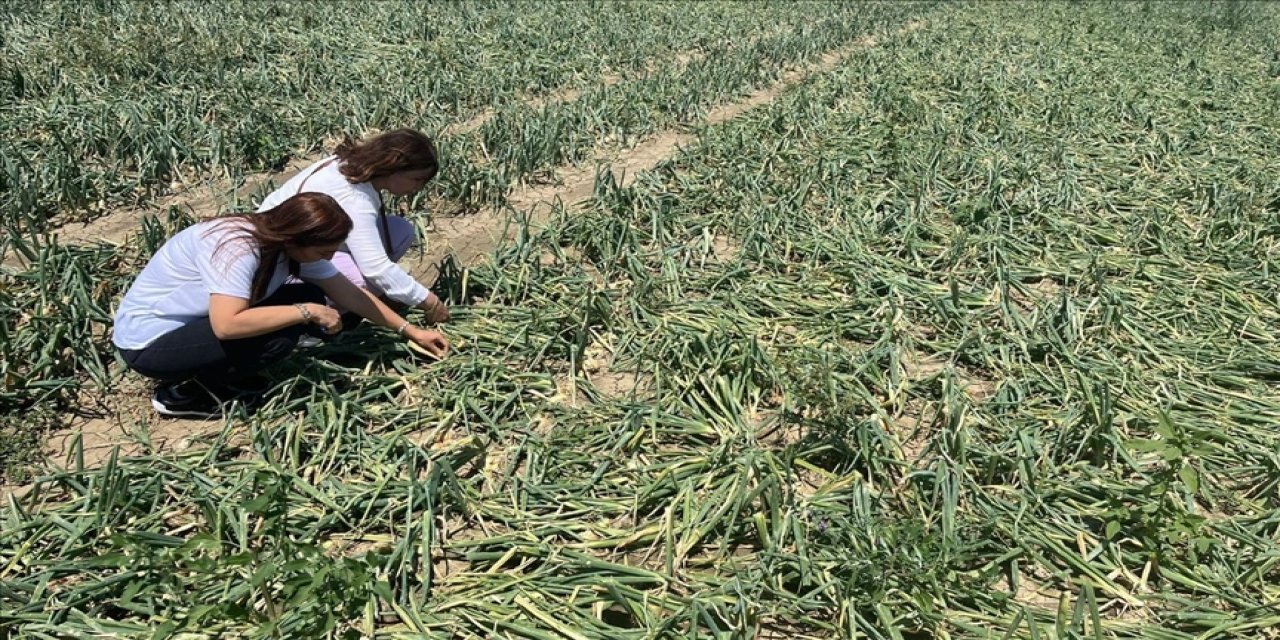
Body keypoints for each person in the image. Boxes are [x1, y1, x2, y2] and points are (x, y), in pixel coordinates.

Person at [112, 192, 450, 418]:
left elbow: (350, 294)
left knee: (311, 297)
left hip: (193, 325)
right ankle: (183, 395)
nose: (330, 258)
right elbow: (226, 325)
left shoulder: (284, 243)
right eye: (323, 251)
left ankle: (220, 375)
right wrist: (305, 312)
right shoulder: (236, 247)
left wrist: (411, 331)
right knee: (283, 332)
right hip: (149, 342)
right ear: (297, 237)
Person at [256, 128, 451, 327]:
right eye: (416, 179)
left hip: (312, 242)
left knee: (400, 230)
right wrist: (430, 303)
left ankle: (374, 297)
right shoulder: (355, 197)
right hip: (284, 262)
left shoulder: (349, 164)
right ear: (393, 167)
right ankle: (314, 323)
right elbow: (377, 268)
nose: (418, 188)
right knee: (360, 283)